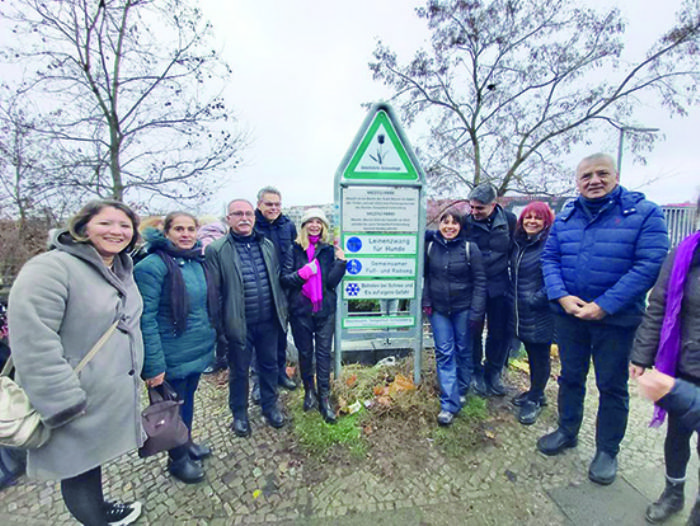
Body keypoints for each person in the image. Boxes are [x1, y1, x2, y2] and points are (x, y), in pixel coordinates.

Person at [7, 200, 144, 525]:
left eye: (125, 226)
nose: (117, 231)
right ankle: (95, 519)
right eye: (106, 223)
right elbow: (33, 341)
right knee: (77, 470)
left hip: (102, 396)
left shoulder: (119, 268)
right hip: (72, 398)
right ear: (82, 227)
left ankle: (99, 509)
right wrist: (63, 402)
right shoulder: (51, 268)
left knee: (89, 464)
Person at [537, 153, 668, 486]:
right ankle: (568, 430)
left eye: (601, 174)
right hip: (570, 317)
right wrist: (561, 295)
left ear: (616, 175)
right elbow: (550, 257)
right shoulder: (567, 215)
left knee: (611, 386)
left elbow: (649, 265)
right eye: (586, 176)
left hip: (616, 321)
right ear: (577, 182)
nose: (593, 181)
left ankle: (607, 450)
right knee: (570, 377)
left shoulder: (644, 213)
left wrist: (605, 305)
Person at [134, 212, 218, 484]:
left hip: (194, 350)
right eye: (179, 229)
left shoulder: (195, 261)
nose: (185, 234)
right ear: (166, 232)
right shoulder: (152, 267)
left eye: (190, 229)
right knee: (172, 410)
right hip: (170, 355)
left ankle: (187, 443)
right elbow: (145, 318)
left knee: (187, 403)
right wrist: (154, 366)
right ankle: (177, 459)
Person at [629, 223, 700, 524]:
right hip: (684, 365)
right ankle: (674, 491)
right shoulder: (685, 254)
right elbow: (658, 306)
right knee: (677, 433)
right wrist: (642, 355)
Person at [205, 199, 288, 438]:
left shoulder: (267, 245)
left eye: (248, 213)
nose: (244, 218)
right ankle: (239, 414)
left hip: (268, 322)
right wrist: (221, 328)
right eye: (237, 213)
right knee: (239, 371)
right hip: (238, 324)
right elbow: (215, 293)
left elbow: (275, 279)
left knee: (269, 366)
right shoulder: (217, 249)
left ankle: (270, 406)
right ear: (228, 218)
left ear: (254, 216)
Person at [281, 208, 346, 424]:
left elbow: (331, 282)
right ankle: (309, 390)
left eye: (319, 222)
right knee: (306, 353)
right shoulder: (294, 249)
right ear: (304, 225)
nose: (315, 225)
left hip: (324, 311)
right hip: (301, 312)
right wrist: (302, 274)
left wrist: (341, 263)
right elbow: (285, 279)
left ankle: (324, 398)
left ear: (324, 226)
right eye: (311, 221)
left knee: (324, 354)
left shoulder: (327, 250)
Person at [423, 209, 486, 426]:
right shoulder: (431, 247)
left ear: (461, 226)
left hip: (464, 309)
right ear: (439, 225)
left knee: (463, 350)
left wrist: (477, 312)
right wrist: (427, 302)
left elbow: (480, 282)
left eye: (454, 223)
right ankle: (448, 404)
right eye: (445, 222)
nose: (449, 227)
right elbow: (427, 277)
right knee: (444, 352)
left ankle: (461, 389)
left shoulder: (470, 249)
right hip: (439, 310)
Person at [464, 183, 516, 396]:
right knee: (474, 329)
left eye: (480, 208)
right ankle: (476, 371)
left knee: (499, 331)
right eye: (472, 207)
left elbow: (516, 248)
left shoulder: (510, 222)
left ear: (493, 205)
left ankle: (493, 371)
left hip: (499, 284)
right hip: (474, 285)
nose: (474, 212)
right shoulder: (466, 222)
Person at [510, 202, 555, 425]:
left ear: (546, 221)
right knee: (532, 352)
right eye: (528, 217)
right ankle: (536, 390)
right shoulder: (521, 244)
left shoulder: (548, 246)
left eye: (538, 218)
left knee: (540, 356)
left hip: (540, 312)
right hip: (522, 311)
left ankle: (535, 399)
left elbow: (555, 280)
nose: (532, 221)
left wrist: (534, 300)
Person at [253, 186, 299, 394]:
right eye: (269, 204)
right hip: (260, 290)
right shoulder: (251, 226)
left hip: (283, 288)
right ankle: (257, 381)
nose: (273, 208)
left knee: (281, 334)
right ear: (259, 205)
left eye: (277, 204)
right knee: (257, 338)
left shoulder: (288, 226)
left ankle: (281, 372)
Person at [197, 215, 229, 375]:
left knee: (213, 322)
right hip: (224, 285)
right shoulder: (223, 237)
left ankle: (215, 359)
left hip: (207, 284)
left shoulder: (202, 238)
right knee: (223, 322)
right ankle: (224, 357)